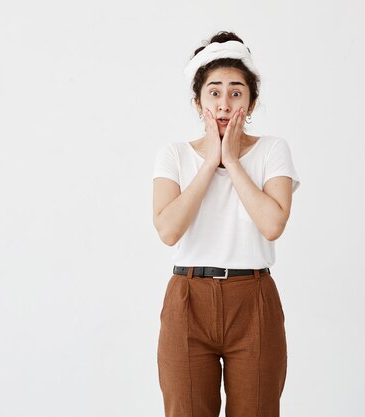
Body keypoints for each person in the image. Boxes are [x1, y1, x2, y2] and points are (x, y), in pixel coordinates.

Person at [152, 31, 301, 417]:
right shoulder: (174, 155)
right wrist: (209, 162)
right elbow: (168, 230)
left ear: (251, 101)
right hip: (187, 299)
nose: (224, 103)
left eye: (236, 92)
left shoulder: (272, 150)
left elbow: (272, 224)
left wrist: (232, 162)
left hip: (253, 298)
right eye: (214, 92)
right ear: (198, 101)